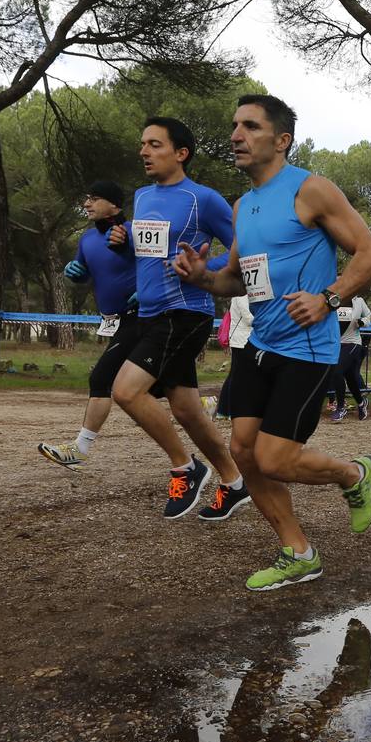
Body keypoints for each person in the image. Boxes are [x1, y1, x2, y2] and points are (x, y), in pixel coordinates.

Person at [173, 93, 371, 590]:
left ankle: (355, 474)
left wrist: (329, 299)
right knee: (244, 454)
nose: (236, 135)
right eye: (234, 126)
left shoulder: (310, 190)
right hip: (259, 345)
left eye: (249, 126)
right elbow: (238, 280)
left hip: (306, 349)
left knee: (273, 458)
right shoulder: (243, 206)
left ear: (282, 139)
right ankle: (298, 552)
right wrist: (202, 276)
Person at [106, 116, 250, 520]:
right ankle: (235, 481)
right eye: (143, 144)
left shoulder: (202, 199)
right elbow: (150, 248)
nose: (143, 152)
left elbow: (245, 245)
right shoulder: (143, 195)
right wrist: (123, 241)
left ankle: (185, 467)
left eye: (154, 144)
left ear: (180, 153)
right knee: (187, 409)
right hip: (150, 312)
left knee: (127, 392)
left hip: (185, 311)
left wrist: (203, 267)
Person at [37, 179, 138, 471]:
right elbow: (87, 272)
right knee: (159, 387)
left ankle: (80, 449)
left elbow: (156, 265)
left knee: (101, 379)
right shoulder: (87, 240)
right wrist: (77, 274)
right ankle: (208, 406)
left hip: (141, 316)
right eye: (86, 198)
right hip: (114, 321)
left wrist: (148, 289)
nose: (86, 204)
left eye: (94, 198)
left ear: (115, 205)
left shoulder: (133, 232)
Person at [330, 293, 371, 422]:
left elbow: (368, 316)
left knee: (337, 371)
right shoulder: (332, 300)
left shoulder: (358, 300)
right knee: (350, 377)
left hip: (352, 342)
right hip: (336, 343)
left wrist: (362, 322)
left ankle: (340, 407)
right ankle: (361, 403)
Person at [217, 294, 253, 418]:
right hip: (240, 341)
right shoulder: (241, 294)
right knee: (238, 377)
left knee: (235, 375)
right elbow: (248, 318)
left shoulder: (246, 294)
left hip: (245, 339)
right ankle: (230, 410)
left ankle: (224, 410)